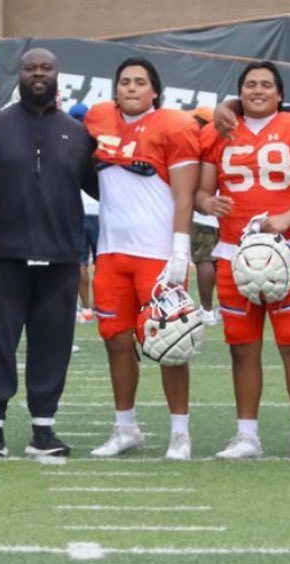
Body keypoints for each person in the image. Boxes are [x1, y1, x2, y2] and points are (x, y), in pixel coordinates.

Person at [196, 61, 290, 461]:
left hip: (289, 251)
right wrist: (209, 202)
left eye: (266, 85)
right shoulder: (217, 130)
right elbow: (203, 192)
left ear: (279, 93)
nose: (258, 90)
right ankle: (247, 435)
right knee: (242, 348)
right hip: (232, 251)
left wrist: (287, 218)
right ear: (240, 93)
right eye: (251, 85)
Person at [0, 47, 96, 458]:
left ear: (57, 74)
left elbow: (100, 188)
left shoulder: (78, 133)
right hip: (0, 255)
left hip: (60, 256)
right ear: (19, 76)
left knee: (53, 343)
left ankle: (43, 429)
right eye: (30, 68)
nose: (38, 74)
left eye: (46, 67)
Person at [82, 57, 200, 460]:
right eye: (125, 82)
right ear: (115, 90)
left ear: (154, 91)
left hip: (157, 253)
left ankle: (180, 432)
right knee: (116, 341)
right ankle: (125, 427)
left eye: (139, 82)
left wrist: (181, 251)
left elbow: (185, 194)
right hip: (112, 252)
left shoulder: (175, 125)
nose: (131, 88)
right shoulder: (98, 119)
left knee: (172, 342)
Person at [189, 107, 221, 326]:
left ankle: (207, 309)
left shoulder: (201, 146)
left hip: (205, 215)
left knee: (204, 260)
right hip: (224, 214)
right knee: (221, 263)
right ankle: (225, 308)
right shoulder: (224, 144)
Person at [68, 103, 99, 324]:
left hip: (77, 208)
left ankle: (85, 308)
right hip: (99, 208)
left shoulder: (67, 139)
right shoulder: (96, 139)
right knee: (104, 262)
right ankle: (105, 305)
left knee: (79, 262)